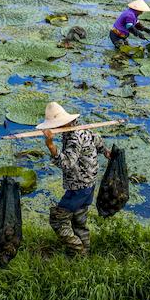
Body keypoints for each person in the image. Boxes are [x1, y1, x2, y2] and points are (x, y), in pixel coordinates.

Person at [40, 102, 111, 256]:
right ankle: (85, 252)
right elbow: (98, 141)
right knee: (79, 220)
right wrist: (105, 151)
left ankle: (77, 250)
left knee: (57, 220)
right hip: (89, 185)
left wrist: (51, 146)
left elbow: (67, 163)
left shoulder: (73, 137)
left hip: (78, 187)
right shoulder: (83, 129)